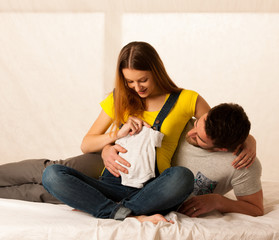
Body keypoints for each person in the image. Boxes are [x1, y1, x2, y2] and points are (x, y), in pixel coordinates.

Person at [0, 41, 256, 224]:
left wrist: (249, 140)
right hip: (109, 173)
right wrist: (114, 138)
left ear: (156, 71)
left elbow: (216, 127)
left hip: (151, 186)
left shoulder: (187, 99)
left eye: (142, 80)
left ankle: (110, 210)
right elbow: (87, 142)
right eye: (129, 81)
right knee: (52, 173)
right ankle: (122, 212)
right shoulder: (119, 98)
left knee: (182, 177)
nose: (136, 87)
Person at [173, 103, 263, 217]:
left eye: (199, 138)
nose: (190, 133)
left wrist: (218, 202)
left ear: (221, 149)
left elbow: (256, 209)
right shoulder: (180, 122)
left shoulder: (243, 163)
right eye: (196, 124)